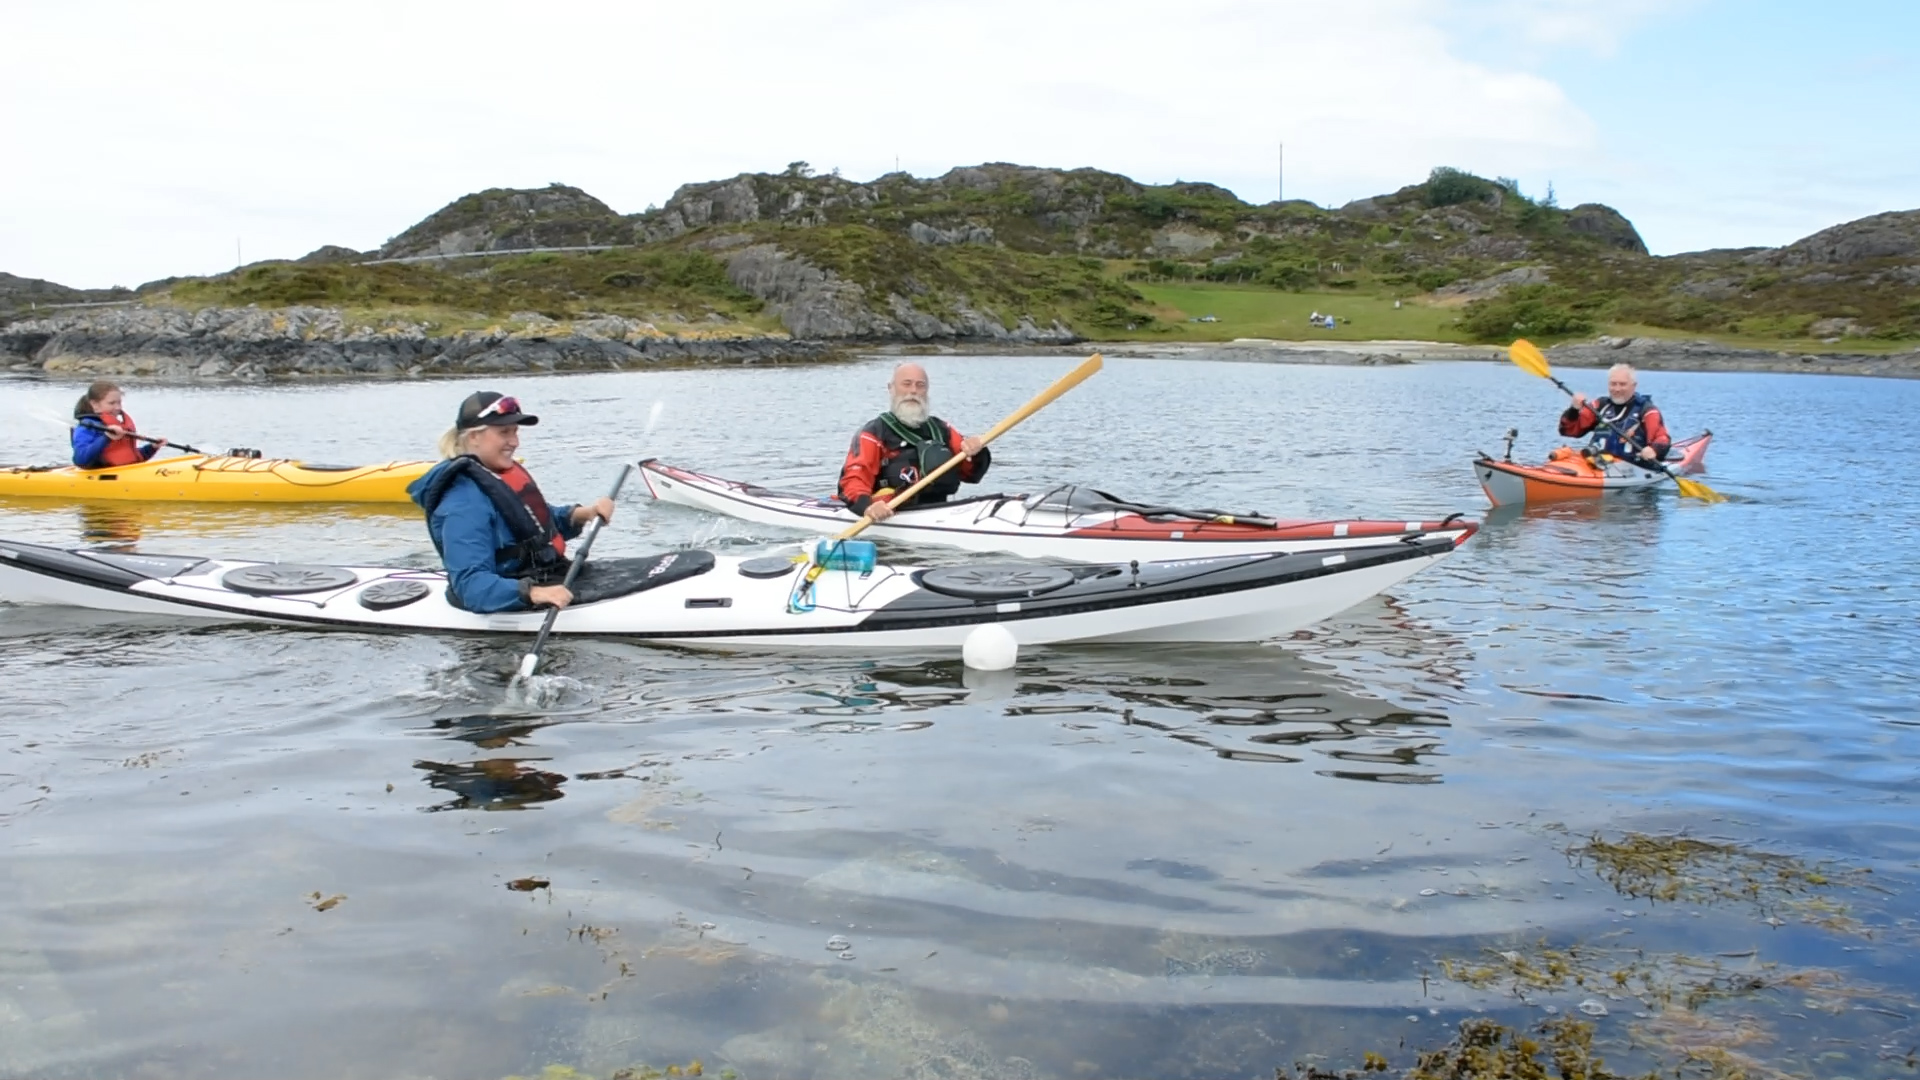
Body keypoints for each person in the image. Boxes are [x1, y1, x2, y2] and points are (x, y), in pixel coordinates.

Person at [407, 391, 615, 613]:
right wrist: (534, 593)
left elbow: (533, 524)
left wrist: (583, 513)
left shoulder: (495, 476)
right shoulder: (462, 503)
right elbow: (470, 587)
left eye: (515, 432)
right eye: (504, 432)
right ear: (473, 437)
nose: (514, 442)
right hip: (507, 593)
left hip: (543, 575)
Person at [838, 362, 989, 522]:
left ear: (927, 391)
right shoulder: (873, 433)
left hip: (939, 511)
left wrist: (976, 452)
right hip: (889, 515)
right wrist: (867, 507)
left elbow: (972, 475)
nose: (913, 391)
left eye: (920, 385)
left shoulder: (942, 430)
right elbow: (853, 479)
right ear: (891, 389)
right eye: (906, 384)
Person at [1558, 362, 1671, 462]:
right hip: (1598, 462)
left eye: (1622, 384)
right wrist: (1574, 409)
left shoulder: (1647, 411)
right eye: (1613, 384)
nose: (1617, 389)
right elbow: (1568, 431)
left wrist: (1654, 449)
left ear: (1633, 386)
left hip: (1634, 466)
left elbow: (1662, 438)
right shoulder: (1599, 405)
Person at [71, 380, 167, 468]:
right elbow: (80, 459)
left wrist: (152, 447)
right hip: (100, 476)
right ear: (95, 405)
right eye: (112, 403)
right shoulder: (86, 427)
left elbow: (130, 457)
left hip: (122, 473)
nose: (117, 407)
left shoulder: (117, 426)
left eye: (119, 403)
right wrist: (106, 437)